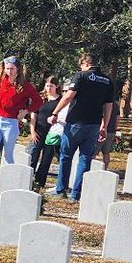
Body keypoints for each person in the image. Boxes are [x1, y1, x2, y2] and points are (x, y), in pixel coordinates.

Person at [50, 51, 113, 201]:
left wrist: (55, 112)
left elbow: (69, 96)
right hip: (94, 125)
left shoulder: (81, 76)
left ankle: (61, 189)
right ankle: (76, 194)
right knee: (85, 159)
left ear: (85, 63)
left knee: (66, 156)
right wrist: (104, 126)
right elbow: (109, 106)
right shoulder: (107, 81)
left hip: (75, 123)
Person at [0, 55, 42, 197]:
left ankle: (7, 187)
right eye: (7, 68)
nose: (9, 71)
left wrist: (26, 111)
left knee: (7, 155)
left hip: (11, 122)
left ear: (18, 69)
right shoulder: (0, 81)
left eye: (11, 69)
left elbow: (38, 101)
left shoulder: (25, 86)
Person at [28, 75, 62, 190]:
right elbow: (34, 115)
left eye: (51, 86)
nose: (48, 88)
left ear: (56, 86)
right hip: (38, 131)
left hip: (52, 133)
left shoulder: (60, 100)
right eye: (47, 86)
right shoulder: (41, 98)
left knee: (46, 158)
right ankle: (28, 178)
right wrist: (32, 131)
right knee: (32, 155)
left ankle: (39, 182)